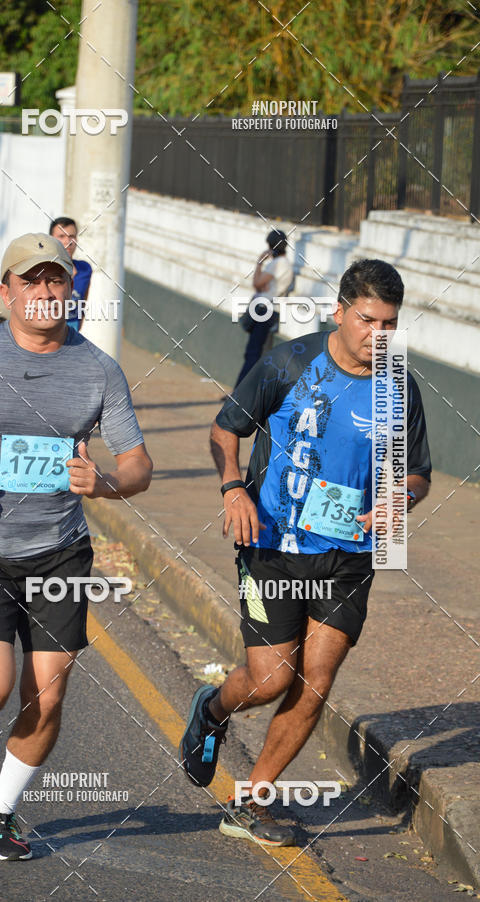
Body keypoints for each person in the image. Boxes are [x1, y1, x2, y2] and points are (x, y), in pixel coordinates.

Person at [0, 233, 152, 861]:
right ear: (7, 290)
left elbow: (139, 464)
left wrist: (108, 484)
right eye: (32, 280)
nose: (45, 292)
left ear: (71, 291)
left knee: (49, 694)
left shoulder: (98, 368)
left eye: (57, 280)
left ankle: (2, 812)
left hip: (61, 551)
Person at [179, 259, 431, 845]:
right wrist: (232, 487)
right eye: (368, 320)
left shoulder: (401, 386)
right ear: (340, 311)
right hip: (273, 543)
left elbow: (416, 472)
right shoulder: (290, 363)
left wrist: (402, 500)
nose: (379, 335)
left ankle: (252, 800)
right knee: (270, 679)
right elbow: (225, 429)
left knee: (316, 679)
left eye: (390, 324)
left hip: (350, 554)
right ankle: (213, 710)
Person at [233, 229, 293, 390]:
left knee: (253, 353)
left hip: (265, 310)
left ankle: (240, 393)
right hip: (268, 309)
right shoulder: (283, 264)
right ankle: (241, 392)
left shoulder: (278, 264)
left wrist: (260, 262)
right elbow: (261, 285)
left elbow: (257, 283)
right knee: (255, 352)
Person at [49, 216, 92, 331]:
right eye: (61, 236)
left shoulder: (85, 269)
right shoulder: (43, 270)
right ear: (51, 239)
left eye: (71, 236)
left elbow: (82, 302)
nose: (67, 242)